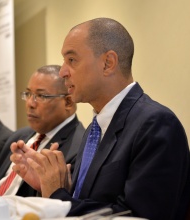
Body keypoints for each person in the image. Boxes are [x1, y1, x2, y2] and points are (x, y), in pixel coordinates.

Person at [10, 18, 190, 220]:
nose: (62, 72)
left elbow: (136, 216)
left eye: (71, 60)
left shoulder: (156, 124)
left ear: (107, 63)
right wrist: (52, 183)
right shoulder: (95, 129)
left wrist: (57, 197)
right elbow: (91, 199)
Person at [0, 64, 85, 197]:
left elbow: (61, 204)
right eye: (28, 94)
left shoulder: (79, 148)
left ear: (68, 102)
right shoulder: (18, 136)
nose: (30, 103)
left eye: (41, 96)